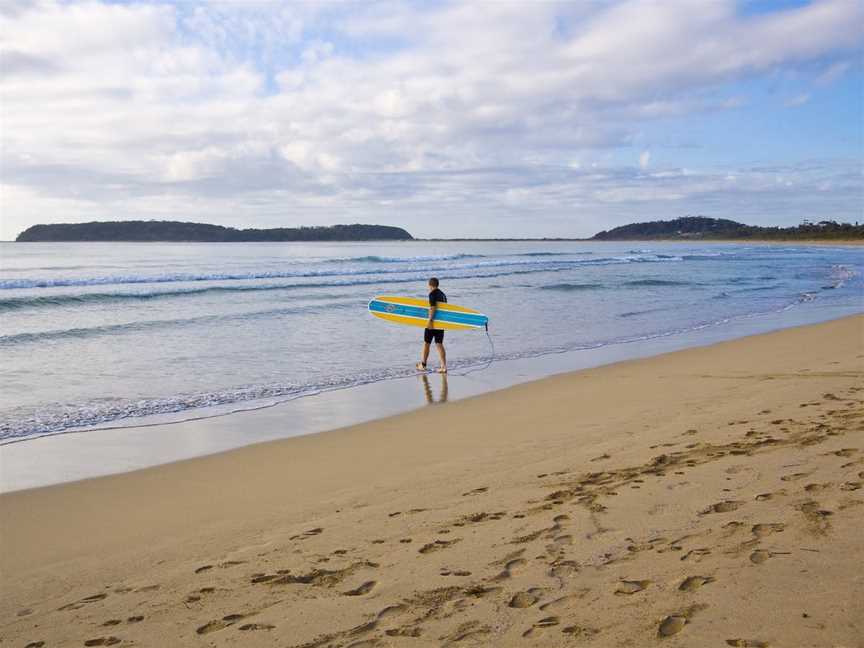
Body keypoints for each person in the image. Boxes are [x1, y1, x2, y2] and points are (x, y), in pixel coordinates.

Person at [416, 277, 447, 373]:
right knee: (439, 344)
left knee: (427, 343)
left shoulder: (432, 294)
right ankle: (443, 366)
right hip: (441, 323)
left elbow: (433, 307)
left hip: (433, 323)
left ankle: (423, 365)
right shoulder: (443, 295)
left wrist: (430, 320)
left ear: (430, 285)